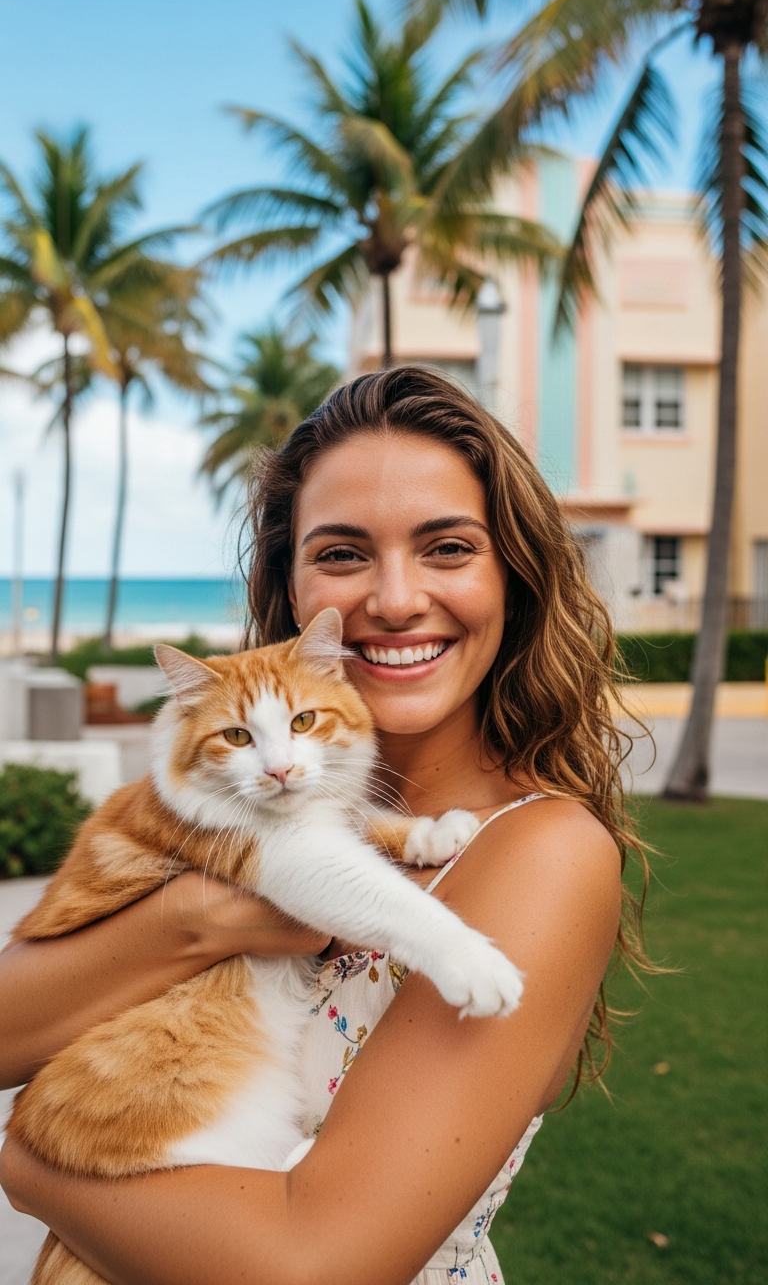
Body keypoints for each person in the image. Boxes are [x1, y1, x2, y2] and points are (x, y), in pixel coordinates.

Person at [0, 367, 650, 1285]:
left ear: (515, 574)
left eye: (448, 547)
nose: (391, 599)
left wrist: (30, 1166)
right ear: (295, 585)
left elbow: (310, 1269)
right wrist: (200, 918)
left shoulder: (537, 853)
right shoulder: (232, 815)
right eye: (343, 554)